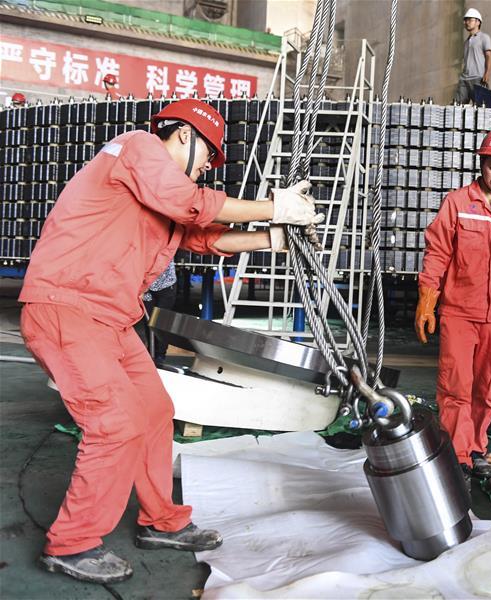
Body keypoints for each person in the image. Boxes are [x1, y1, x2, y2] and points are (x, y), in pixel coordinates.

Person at [19, 98, 322, 584]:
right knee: (114, 423)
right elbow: (193, 205)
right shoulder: (138, 150)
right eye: (207, 157)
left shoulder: (162, 192)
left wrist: (272, 238)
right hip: (67, 308)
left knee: (155, 409)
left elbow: (201, 236)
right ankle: (72, 544)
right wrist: (275, 205)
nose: (206, 169)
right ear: (184, 136)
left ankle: (160, 521)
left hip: (111, 318)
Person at [416, 126, 491, 482]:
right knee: (456, 385)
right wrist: (427, 301)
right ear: (481, 163)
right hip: (458, 311)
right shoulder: (457, 203)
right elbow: (437, 253)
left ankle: (476, 447)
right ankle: (457, 454)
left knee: (489, 386)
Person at [453, 8, 491, 105]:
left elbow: (489, 56)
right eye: (465, 20)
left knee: (482, 109)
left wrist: (487, 73)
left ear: (478, 22)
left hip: (478, 79)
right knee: (457, 107)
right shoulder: (466, 42)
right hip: (464, 79)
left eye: (470, 20)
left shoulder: (484, 37)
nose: (466, 22)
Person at [142, 260, 177, 364]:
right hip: (147, 288)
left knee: (161, 321)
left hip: (166, 285)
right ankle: (151, 353)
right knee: (149, 322)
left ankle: (160, 355)